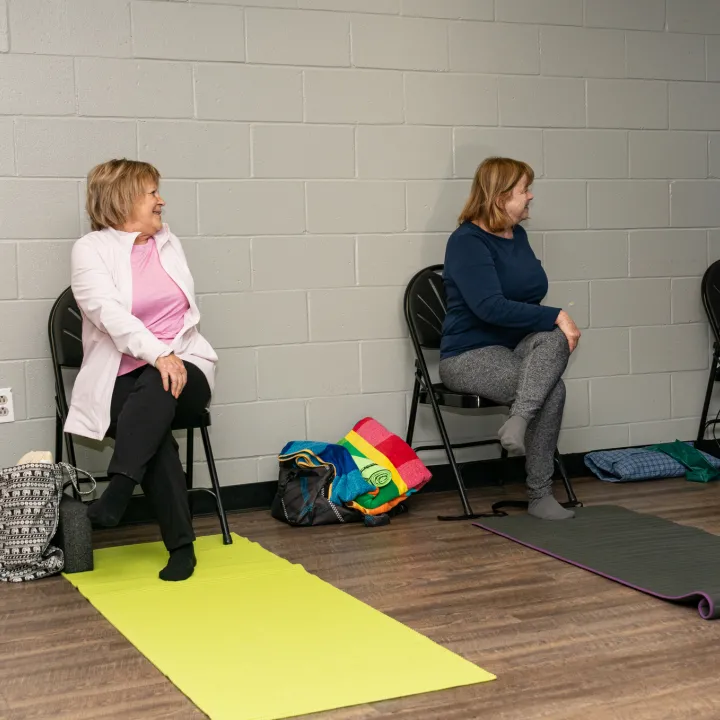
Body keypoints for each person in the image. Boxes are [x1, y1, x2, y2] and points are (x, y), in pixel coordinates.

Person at [65, 159, 218, 580]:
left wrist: (167, 357)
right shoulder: (89, 251)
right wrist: (156, 354)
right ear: (124, 198)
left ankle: (117, 492)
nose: (161, 200)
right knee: (153, 427)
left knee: (157, 387)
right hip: (119, 375)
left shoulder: (169, 243)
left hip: (187, 366)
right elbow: (108, 313)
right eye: (152, 192)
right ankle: (182, 549)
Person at [439, 157, 581, 521]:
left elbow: (528, 297)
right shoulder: (466, 242)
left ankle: (518, 417)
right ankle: (539, 495)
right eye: (524, 190)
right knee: (554, 388)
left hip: (517, 347)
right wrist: (557, 315)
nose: (531, 196)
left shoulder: (517, 235)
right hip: (468, 355)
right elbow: (489, 307)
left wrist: (551, 323)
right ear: (501, 197)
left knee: (552, 339)